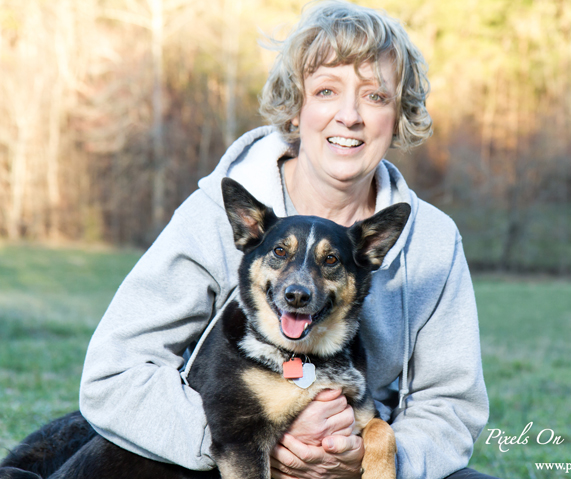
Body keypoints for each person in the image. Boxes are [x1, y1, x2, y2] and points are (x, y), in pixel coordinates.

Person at [79, 2, 493, 479]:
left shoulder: (433, 241)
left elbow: (451, 405)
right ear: (296, 108)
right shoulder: (218, 212)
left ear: (399, 115)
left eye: (376, 96)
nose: (350, 116)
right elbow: (113, 376)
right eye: (326, 91)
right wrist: (256, 440)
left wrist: (369, 460)